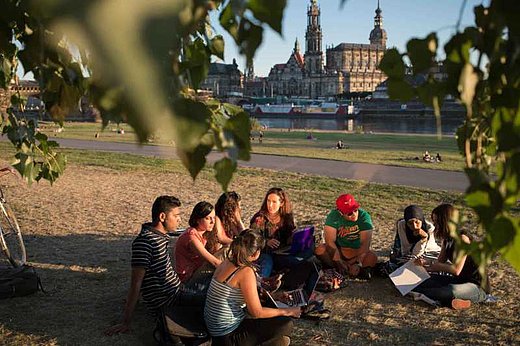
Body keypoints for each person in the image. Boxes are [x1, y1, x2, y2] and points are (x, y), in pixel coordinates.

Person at [105, 196, 203, 336]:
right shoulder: (145, 242)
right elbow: (136, 282)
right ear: (162, 216)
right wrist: (126, 322)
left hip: (178, 291)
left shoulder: (159, 236)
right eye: (176, 216)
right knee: (216, 302)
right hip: (170, 301)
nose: (179, 219)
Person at [204, 229, 300, 346]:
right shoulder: (245, 271)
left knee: (279, 336)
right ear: (256, 253)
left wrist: (276, 297)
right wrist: (288, 311)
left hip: (215, 330)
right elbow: (256, 312)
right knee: (286, 324)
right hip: (227, 335)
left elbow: (243, 296)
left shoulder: (226, 262)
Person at [414, 204, 489, 309]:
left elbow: (456, 270)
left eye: (436, 221)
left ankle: (465, 300)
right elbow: (440, 262)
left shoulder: (463, 239)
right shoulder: (447, 239)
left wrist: (432, 265)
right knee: (424, 280)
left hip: (476, 286)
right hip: (459, 281)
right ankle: (454, 301)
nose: (435, 225)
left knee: (448, 290)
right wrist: (423, 265)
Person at [315, 194, 377, 279]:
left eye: (355, 210)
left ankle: (347, 269)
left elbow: (365, 244)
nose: (354, 214)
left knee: (372, 257)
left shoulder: (364, 216)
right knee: (320, 250)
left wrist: (357, 262)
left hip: (356, 251)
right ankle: (341, 268)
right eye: (349, 213)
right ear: (340, 212)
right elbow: (330, 241)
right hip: (339, 250)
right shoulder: (333, 216)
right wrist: (339, 261)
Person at [250, 187, 298, 278]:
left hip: (282, 252)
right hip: (263, 252)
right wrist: (266, 241)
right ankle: (261, 283)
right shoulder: (260, 218)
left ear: (282, 203)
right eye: (268, 201)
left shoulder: (287, 217)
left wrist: (294, 236)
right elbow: (251, 239)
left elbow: (288, 236)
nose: (270, 205)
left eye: (274, 202)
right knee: (267, 261)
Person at [175, 201, 221, 290]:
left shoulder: (205, 233)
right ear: (198, 219)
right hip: (188, 279)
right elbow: (213, 261)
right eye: (208, 218)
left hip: (197, 271)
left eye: (214, 218)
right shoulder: (191, 236)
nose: (212, 222)